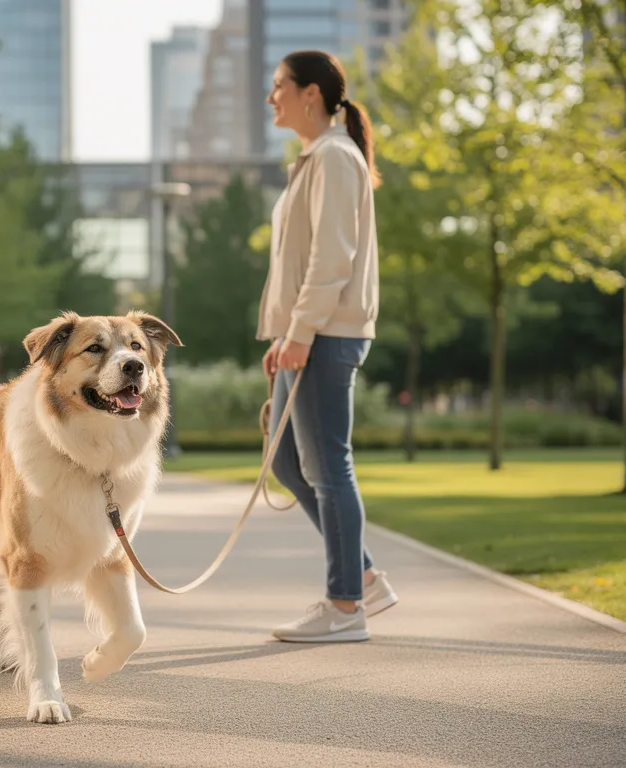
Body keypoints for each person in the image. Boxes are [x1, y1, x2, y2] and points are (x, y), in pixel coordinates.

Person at [258, 50, 398, 643]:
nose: (272, 97)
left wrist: (301, 331)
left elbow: (331, 258)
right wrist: (285, 330)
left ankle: (345, 606)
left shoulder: (336, 158)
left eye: (279, 86)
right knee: (288, 462)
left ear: (310, 94)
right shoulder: (317, 159)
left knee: (328, 466)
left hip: (326, 335)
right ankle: (362, 577)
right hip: (307, 334)